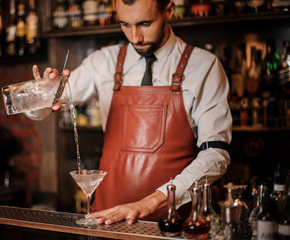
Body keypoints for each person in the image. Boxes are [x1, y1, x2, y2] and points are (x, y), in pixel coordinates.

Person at [28, 0, 232, 225]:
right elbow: (47, 107)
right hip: (107, 218)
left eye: (145, 23)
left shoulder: (204, 66)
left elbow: (216, 155)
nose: (136, 37)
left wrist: (151, 202)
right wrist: (40, 96)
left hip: (174, 221)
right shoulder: (103, 61)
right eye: (125, 24)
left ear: (169, 10)